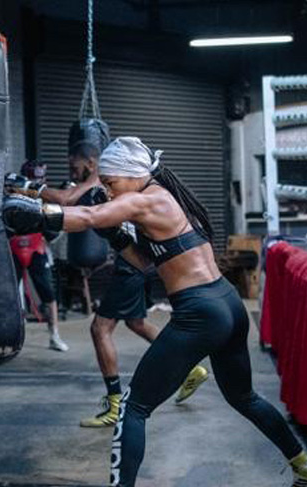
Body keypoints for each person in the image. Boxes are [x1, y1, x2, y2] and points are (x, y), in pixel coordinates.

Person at [3, 136, 307, 487]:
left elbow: (86, 217)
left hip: (199, 312)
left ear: (132, 175)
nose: (106, 188)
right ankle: (304, 464)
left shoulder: (145, 199)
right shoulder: (163, 199)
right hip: (227, 304)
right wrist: (117, 237)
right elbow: (143, 264)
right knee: (243, 397)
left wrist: (39, 213)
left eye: (110, 180)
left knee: (133, 407)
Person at [35, 143, 209, 428]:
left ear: (93, 163)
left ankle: (114, 403)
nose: (108, 189)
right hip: (136, 261)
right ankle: (192, 367)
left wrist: (34, 198)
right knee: (136, 323)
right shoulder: (118, 183)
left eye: (75, 166)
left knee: (99, 328)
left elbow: (76, 206)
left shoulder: (117, 181)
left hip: (132, 266)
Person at [9, 161, 68, 351]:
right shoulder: (11, 194)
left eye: (40, 179)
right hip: (13, 246)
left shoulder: (46, 198)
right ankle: (12, 336)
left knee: (48, 294)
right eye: (33, 179)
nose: (37, 182)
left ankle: (54, 335)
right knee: (10, 295)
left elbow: (54, 231)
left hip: (36, 247)